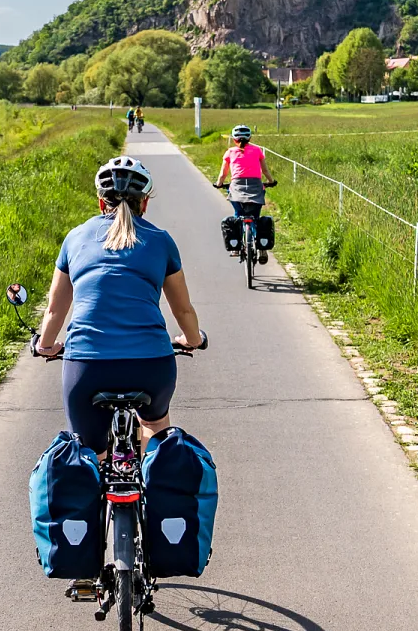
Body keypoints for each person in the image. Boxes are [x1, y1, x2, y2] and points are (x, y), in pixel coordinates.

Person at [35, 156, 205, 455]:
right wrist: (193, 340)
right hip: (151, 366)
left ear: (102, 203)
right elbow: (183, 310)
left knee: (90, 455)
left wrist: (45, 345)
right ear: (145, 204)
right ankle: (155, 478)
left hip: (87, 367)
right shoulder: (161, 241)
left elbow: (54, 311)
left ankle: (97, 485)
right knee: (155, 427)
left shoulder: (75, 238)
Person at [214, 124, 277, 259]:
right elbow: (265, 171)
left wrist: (218, 184)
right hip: (256, 186)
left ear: (234, 139)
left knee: (238, 214)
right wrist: (271, 181)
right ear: (250, 138)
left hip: (237, 186)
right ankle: (262, 250)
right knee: (256, 217)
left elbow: (223, 173)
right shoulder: (257, 150)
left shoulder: (230, 152)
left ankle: (236, 249)